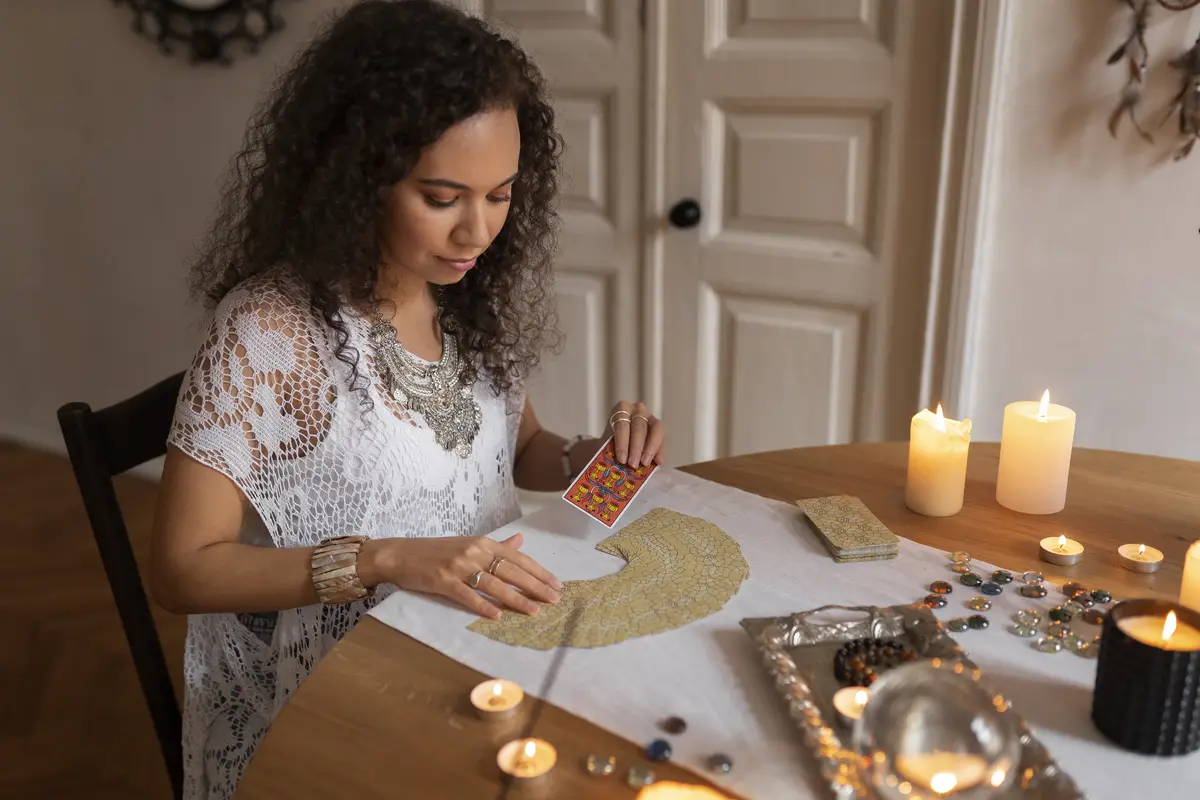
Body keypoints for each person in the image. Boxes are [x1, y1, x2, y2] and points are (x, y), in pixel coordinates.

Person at [149, 2, 666, 797]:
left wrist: (592, 457)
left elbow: (516, 450)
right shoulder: (272, 332)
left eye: (501, 195)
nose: (478, 233)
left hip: (478, 650)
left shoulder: (459, 296)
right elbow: (184, 571)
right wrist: (386, 559)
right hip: (335, 694)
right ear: (359, 177)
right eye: (443, 197)